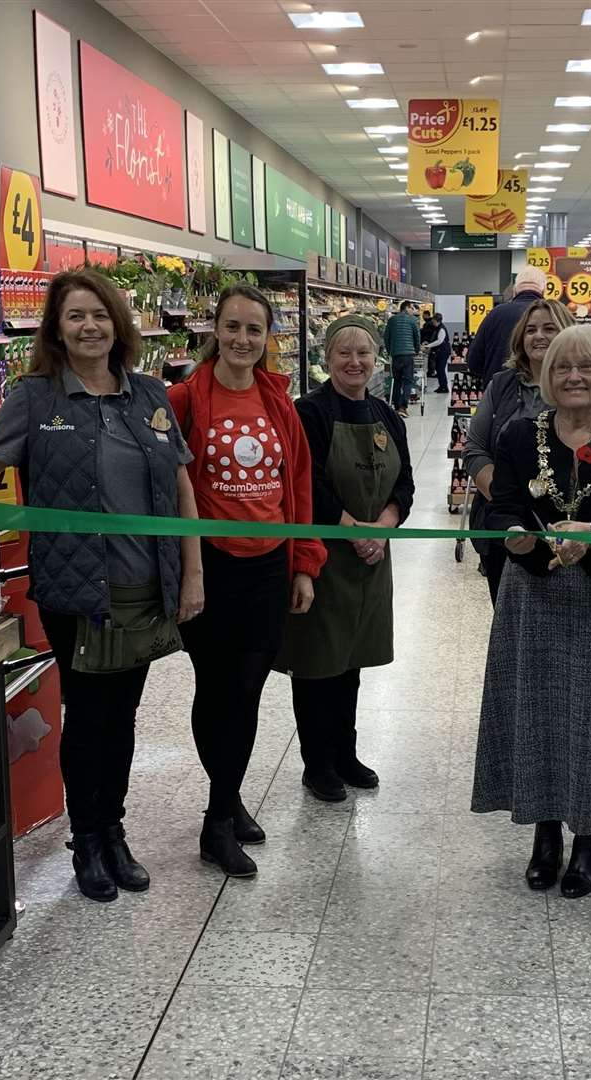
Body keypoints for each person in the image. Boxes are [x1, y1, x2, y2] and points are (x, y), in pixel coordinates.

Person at [0, 270, 202, 904]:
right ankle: (87, 839)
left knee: (124, 716)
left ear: (118, 323)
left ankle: (113, 829)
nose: (89, 327)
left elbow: (181, 488)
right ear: (56, 329)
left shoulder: (148, 394)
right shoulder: (36, 398)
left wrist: (193, 574)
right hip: (79, 589)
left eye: (100, 315)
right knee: (88, 716)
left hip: (148, 583)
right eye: (75, 317)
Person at [472, 326, 591, 899]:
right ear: (546, 376)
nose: (574, 377)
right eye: (561, 368)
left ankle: (589, 837)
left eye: (585, 367)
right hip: (534, 595)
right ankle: (544, 833)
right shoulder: (516, 434)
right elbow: (500, 509)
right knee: (538, 712)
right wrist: (515, 537)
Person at [168, 284, 327, 879]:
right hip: (209, 567)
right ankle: (218, 815)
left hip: (268, 566)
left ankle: (225, 801)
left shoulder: (278, 403)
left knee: (249, 688)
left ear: (268, 339)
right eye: (232, 327)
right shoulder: (185, 399)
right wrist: (184, 571)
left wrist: (306, 562)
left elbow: (300, 485)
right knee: (216, 689)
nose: (241, 339)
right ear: (215, 330)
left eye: (253, 330)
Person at [275, 315, 415, 801]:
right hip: (323, 557)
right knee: (317, 663)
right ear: (326, 359)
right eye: (343, 353)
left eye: (363, 353)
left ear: (376, 359)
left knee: (352, 659)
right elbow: (306, 484)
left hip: (373, 556)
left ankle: (345, 752)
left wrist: (385, 527)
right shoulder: (307, 413)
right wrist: (356, 532)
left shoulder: (387, 416)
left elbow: (405, 485)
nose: (354, 361)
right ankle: (317, 763)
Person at [464, 299, 575, 604]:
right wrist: (507, 500)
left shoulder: (581, 385)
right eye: (531, 329)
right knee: (508, 616)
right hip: (505, 526)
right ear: (520, 338)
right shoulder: (501, 385)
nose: (539, 336)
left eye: (549, 328)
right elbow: (474, 448)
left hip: (563, 529)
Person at [465, 266, 547, 387]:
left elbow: (473, 363)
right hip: (545, 398)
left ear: (514, 290)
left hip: (499, 395)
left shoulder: (495, 314)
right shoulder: (555, 316)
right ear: (544, 290)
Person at [382, 300, 422, 416]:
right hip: (408, 355)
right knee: (408, 381)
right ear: (407, 308)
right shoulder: (412, 320)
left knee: (397, 381)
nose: (412, 311)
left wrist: (390, 351)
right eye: (411, 308)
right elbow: (416, 337)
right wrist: (417, 349)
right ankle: (403, 407)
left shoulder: (392, 320)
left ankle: (396, 406)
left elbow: (386, 337)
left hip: (396, 355)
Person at [426, 313, 450, 394]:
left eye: (433, 321)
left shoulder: (442, 329)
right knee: (438, 369)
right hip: (440, 352)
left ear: (437, 321)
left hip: (443, 352)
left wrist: (428, 346)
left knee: (441, 369)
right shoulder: (438, 328)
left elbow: (439, 341)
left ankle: (444, 387)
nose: (432, 322)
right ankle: (441, 386)